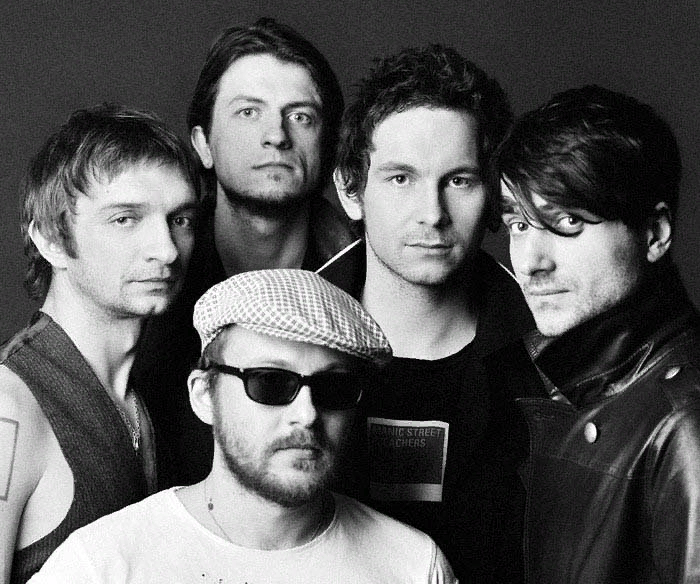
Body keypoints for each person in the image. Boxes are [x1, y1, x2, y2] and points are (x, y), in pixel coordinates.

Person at [29, 269, 456, 584]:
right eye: (271, 383)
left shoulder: (412, 565)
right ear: (204, 395)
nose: (307, 413)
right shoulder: (103, 565)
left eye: (334, 388)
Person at [319, 45, 532, 582]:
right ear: (350, 190)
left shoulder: (550, 353)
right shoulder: (281, 346)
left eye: (459, 180)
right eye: (401, 178)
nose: (432, 214)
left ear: (493, 196)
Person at [131, 17, 355, 488]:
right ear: (203, 145)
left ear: (328, 147)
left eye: (301, 116)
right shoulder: (147, 275)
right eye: (248, 112)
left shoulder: (370, 280)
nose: (276, 135)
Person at [493, 85, 700, 582]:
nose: (532, 263)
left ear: (654, 234)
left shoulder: (686, 422)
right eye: (519, 223)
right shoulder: (562, 380)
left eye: (567, 221)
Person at [0, 104, 199, 583]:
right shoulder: (9, 405)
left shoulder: (145, 399)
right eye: (125, 219)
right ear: (51, 239)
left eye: (180, 220)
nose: (166, 250)